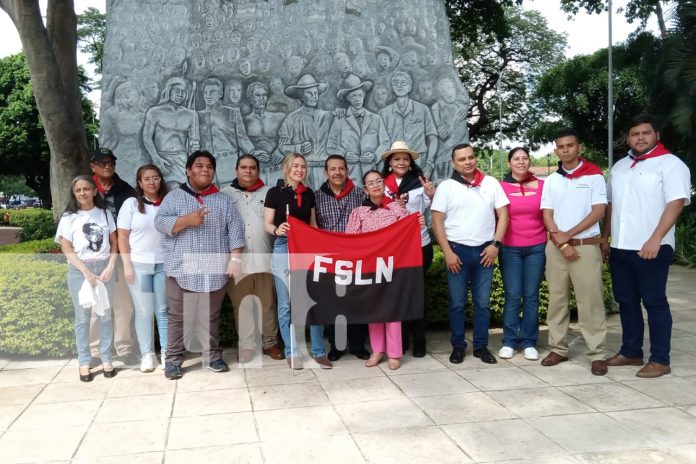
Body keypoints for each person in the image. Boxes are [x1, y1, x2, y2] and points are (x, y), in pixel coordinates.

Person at [603, 114, 691, 378]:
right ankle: (631, 351)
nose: (640, 138)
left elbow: (675, 203)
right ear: (628, 138)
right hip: (620, 247)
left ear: (656, 135)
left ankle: (660, 359)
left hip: (652, 247)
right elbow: (611, 205)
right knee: (626, 301)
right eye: (634, 134)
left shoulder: (671, 165)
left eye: (646, 133)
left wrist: (655, 238)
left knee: (654, 302)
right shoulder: (620, 166)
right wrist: (606, 237)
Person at [154, 151, 245, 379]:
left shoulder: (223, 200)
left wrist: (235, 260)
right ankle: (173, 360)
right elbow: (160, 222)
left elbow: (235, 231)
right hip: (180, 269)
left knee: (210, 316)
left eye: (209, 166)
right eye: (199, 165)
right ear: (188, 170)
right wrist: (187, 220)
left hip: (214, 269)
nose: (205, 170)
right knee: (178, 317)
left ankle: (213, 356)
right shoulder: (174, 197)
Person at [431, 143, 509, 365]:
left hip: (485, 251)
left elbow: (503, 215)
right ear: (453, 163)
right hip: (457, 252)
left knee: (482, 304)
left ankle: (481, 347)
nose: (467, 162)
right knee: (457, 303)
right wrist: (447, 252)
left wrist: (496, 244)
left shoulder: (490, 183)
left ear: (475, 158)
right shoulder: (446, 187)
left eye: (470, 157)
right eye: (462, 159)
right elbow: (436, 221)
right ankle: (458, 346)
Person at [540, 129, 608, 376]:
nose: (565, 150)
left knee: (590, 301)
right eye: (561, 146)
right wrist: (561, 241)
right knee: (557, 300)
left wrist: (569, 235)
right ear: (556, 150)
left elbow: (599, 211)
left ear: (579, 147)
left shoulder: (594, 176)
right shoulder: (552, 180)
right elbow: (547, 213)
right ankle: (558, 348)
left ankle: (597, 354)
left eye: (570, 145)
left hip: (586, 247)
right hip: (557, 248)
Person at [346, 170, 423, 370]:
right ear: (365, 189)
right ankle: (377, 350)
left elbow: (409, 230)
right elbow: (350, 239)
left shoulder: (397, 208)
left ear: (384, 184)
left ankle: (395, 352)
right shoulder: (358, 212)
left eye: (379, 181)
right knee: (374, 310)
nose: (375, 185)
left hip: (393, 266)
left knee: (393, 309)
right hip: (370, 267)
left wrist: (417, 222)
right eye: (370, 183)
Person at [264, 153, 331, 370]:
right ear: (286, 168)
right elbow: (267, 223)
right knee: (286, 303)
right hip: (283, 247)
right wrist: (277, 229)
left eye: (303, 166)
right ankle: (291, 351)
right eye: (295, 166)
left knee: (314, 301)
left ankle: (319, 351)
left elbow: (313, 224)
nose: (299, 170)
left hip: (306, 250)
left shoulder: (309, 193)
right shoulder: (274, 193)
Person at [221, 155, 284, 363]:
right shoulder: (225, 194)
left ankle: (270, 343)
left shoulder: (269, 193)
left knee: (268, 304)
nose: (248, 171)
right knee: (242, 305)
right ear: (236, 170)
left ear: (258, 171)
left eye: (252, 168)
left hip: (265, 259)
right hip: (238, 261)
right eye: (244, 167)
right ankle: (247, 345)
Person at [56, 175, 119, 382]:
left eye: (86, 188)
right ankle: (84, 361)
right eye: (78, 190)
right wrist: (85, 271)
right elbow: (66, 247)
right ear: (74, 194)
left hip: (104, 268)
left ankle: (106, 358)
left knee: (105, 314)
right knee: (83, 318)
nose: (82, 193)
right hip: (79, 270)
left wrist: (110, 266)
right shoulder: (69, 217)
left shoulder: (104, 214)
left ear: (94, 191)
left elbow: (114, 241)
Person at [380, 141, 435, 357]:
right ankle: (400, 341)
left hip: (419, 245)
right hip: (394, 248)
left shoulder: (421, 184)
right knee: (398, 294)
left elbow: (436, 208)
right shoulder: (382, 185)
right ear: (390, 163)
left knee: (417, 294)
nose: (401, 162)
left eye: (405, 158)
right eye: (396, 159)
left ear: (410, 162)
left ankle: (419, 340)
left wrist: (431, 194)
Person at [314, 155, 370, 361]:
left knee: (356, 301)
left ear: (347, 171)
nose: (337, 173)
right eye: (332, 169)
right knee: (334, 303)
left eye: (341, 169)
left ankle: (357, 345)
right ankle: (337, 346)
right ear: (325, 173)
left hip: (355, 256)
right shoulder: (317, 196)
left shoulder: (359, 194)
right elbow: (314, 226)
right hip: (329, 257)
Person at [117, 165, 169, 373]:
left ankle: (167, 352)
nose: (151, 182)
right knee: (144, 311)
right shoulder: (131, 204)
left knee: (163, 310)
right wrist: (127, 264)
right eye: (146, 179)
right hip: (140, 265)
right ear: (139, 183)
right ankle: (147, 354)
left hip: (163, 265)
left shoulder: (167, 203)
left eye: (155, 178)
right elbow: (122, 236)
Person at [89, 148, 137, 366]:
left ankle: (124, 348)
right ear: (93, 167)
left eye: (110, 163)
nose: (107, 166)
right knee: (95, 306)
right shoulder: (84, 188)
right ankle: (95, 351)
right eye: (102, 163)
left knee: (122, 305)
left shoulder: (125, 190)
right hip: (94, 257)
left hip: (119, 256)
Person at [498, 147, 546, 361]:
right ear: (509, 163)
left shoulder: (544, 186)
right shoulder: (500, 187)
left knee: (531, 296)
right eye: (516, 158)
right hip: (510, 248)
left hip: (537, 247)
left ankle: (529, 342)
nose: (521, 162)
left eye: (524, 158)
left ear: (529, 161)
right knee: (512, 296)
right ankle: (509, 340)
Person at [327, 74, 389, 187]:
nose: (357, 99)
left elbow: (385, 143)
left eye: (359, 95)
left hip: (372, 176)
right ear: (348, 98)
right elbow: (330, 146)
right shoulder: (340, 119)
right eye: (353, 96)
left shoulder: (376, 119)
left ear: (364, 95)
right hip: (349, 176)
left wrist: (375, 156)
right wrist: (344, 154)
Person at [197, 78, 262, 185]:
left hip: (228, 166)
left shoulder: (232, 112)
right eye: (206, 93)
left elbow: (242, 138)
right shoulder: (198, 115)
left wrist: (253, 152)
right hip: (207, 169)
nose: (208, 96)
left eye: (212, 92)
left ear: (220, 93)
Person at [142, 77, 200, 188]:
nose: (180, 94)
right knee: (172, 189)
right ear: (169, 91)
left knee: (185, 192)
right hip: (162, 159)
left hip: (182, 160)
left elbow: (195, 140)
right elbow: (147, 137)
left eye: (183, 92)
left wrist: (194, 146)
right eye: (177, 91)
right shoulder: (155, 112)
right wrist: (156, 158)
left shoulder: (191, 115)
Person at [379, 71, 438, 178]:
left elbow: (433, 138)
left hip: (420, 162)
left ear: (410, 86)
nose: (399, 86)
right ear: (392, 87)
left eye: (403, 82)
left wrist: (429, 164)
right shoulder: (383, 114)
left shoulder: (423, 109)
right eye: (396, 83)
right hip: (393, 164)